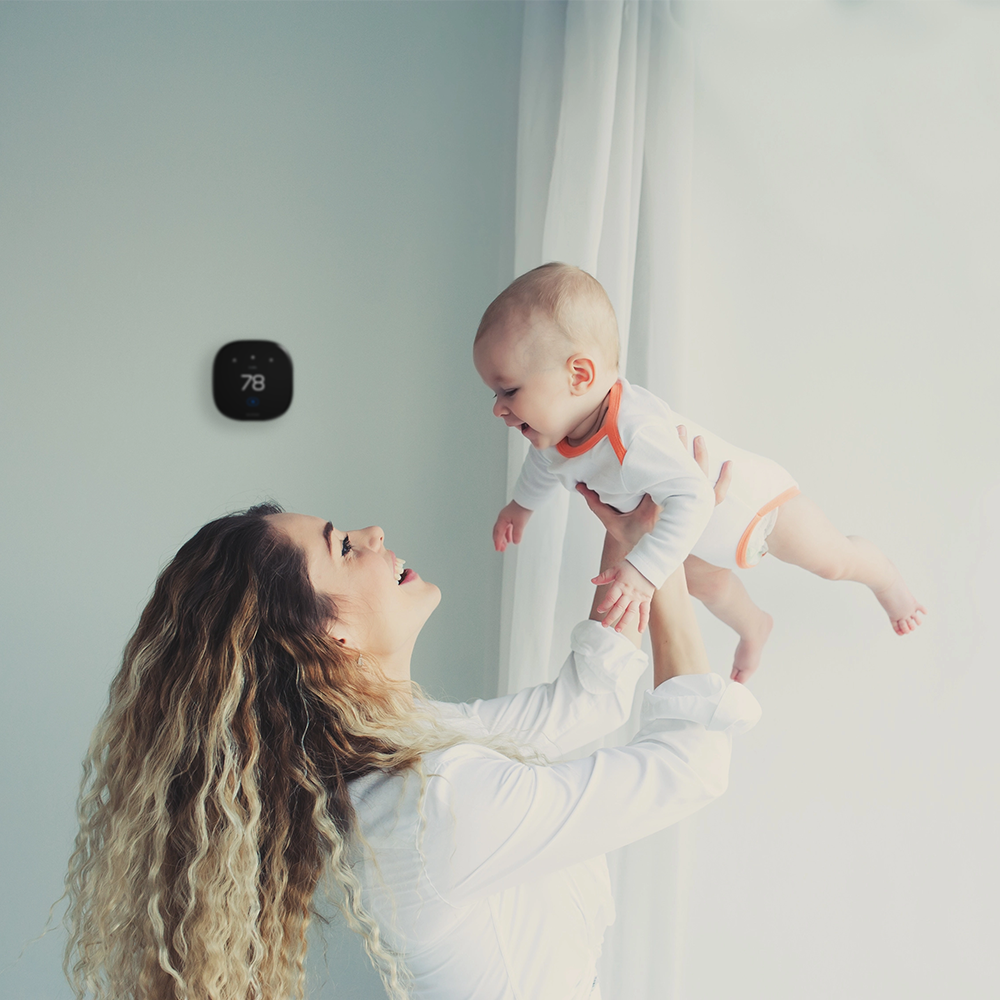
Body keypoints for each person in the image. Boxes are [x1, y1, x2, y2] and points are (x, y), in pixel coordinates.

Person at [63, 458, 759, 1000]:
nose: (373, 535)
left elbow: (583, 704)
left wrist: (633, 543)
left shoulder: (402, 754)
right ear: (328, 635)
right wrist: (662, 561)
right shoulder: (430, 801)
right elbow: (691, 767)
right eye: (343, 548)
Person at [474, 262, 926, 682]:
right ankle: (755, 627)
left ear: (579, 375)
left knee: (832, 561)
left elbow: (695, 496)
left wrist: (644, 572)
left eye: (508, 390)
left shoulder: (635, 432)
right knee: (709, 587)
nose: (498, 408)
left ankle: (885, 578)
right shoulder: (555, 435)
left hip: (758, 510)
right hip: (692, 536)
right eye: (495, 394)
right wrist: (521, 505)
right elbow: (544, 464)